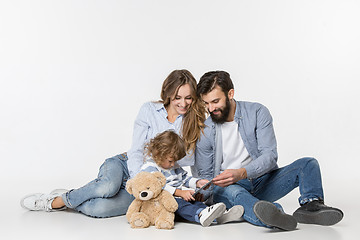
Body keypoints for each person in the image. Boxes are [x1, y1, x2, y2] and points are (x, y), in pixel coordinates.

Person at [20, 69, 206, 218]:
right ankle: (57, 201)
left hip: (155, 182)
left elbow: (186, 163)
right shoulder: (149, 110)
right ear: (168, 94)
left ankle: (78, 195)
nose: (183, 103)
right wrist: (138, 180)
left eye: (188, 97)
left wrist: (196, 186)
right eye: (177, 97)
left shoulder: (194, 122)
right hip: (128, 166)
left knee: (99, 209)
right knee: (106, 188)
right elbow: (136, 150)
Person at [194, 70, 343, 231]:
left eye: (215, 101)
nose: (210, 108)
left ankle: (311, 206)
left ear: (230, 94)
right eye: (206, 103)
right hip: (228, 186)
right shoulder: (206, 130)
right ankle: (273, 214)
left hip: (261, 180)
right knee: (237, 194)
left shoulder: (257, 112)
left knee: (307, 164)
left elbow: (270, 156)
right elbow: (206, 177)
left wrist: (242, 172)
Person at [140, 130, 244, 227]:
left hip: (178, 198)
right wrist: (180, 193)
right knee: (182, 205)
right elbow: (157, 187)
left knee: (195, 202)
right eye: (170, 161)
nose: (173, 164)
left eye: (175, 161)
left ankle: (217, 215)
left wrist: (198, 182)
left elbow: (185, 178)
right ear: (159, 154)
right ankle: (200, 215)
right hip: (162, 202)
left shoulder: (173, 166)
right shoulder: (149, 167)